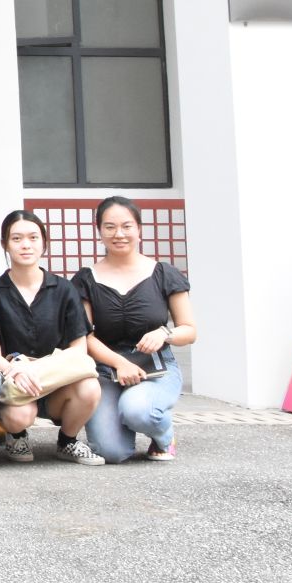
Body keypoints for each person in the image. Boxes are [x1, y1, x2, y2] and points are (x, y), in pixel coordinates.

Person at [74, 195, 195, 463]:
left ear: (139, 229)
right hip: (106, 369)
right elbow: (84, 336)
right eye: (110, 227)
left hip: (156, 367)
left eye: (126, 226)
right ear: (99, 231)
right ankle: (130, 417)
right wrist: (120, 364)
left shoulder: (164, 273)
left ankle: (163, 434)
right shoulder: (86, 278)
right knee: (111, 452)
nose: (119, 234)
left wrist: (164, 333)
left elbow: (189, 330)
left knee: (137, 411)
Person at [0, 210, 105, 466]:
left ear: (44, 243)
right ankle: (15, 434)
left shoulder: (64, 289)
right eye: (16, 239)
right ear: (4, 244)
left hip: (58, 380)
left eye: (33, 237)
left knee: (90, 387)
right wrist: (15, 371)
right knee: (19, 417)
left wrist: (38, 369)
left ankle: (68, 441)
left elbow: (79, 348)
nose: (25, 245)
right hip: (16, 381)